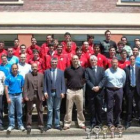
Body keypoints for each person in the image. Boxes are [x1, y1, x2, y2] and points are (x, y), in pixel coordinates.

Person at [63, 55, 85, 130]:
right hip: (70, 91)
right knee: (68, 108)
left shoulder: (82, 69)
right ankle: (67, 123)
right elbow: (65, 79)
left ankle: (81, 123)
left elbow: (84, 79)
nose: (75, 60)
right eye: (74, 59)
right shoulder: (68, 69)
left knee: (80, 108)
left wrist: (81, 84)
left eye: (76, 59)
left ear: (78, 60)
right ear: (71, 60)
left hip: (79, 90)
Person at [44, 57, 65, 131]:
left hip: (58, 92)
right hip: (49, 92)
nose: (54, 63)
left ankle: (57, 124)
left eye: (55, 62)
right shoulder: (46, 72)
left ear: (57, 63)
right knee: (49, 109)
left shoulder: (61, 72)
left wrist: (63, 92)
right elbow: (45, 83)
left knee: (57, 109)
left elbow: (63, 83)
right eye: (52, 62)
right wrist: (45, 91)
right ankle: (49, 125)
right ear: (50, 63)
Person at [104, 58, 126, 127]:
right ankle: (110, 123)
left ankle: (117, 122)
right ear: (111, 63)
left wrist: (119, 87)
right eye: (113, 62)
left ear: (118, 63)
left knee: (118, 106)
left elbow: (123, 81)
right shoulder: (107, 71)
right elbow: (105, 81)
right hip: (109, 90)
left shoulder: (122, 71)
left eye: (116, 62)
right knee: (109, 106)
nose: (114, 64)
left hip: (119, 90)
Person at [85, 55, 105, 128]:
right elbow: (87, 80)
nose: (93, 62)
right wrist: (93, 87)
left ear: (97, 61)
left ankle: (99, 122)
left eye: (94, 60)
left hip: (99, 92)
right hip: (91, 92)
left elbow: (104, 79)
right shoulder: (87, 70)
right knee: (92, 108)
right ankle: (93, 122)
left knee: (99, 108)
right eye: (92, 60)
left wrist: (99, 87)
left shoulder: (101, 69)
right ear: (90, 62)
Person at [24, 63, 44, 133]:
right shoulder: (27, 75)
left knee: (40, 110)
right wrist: (25, 96)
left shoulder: (41, 75)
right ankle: (29, 125)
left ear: (37, 67)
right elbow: (25, 87)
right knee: (29, 111)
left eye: (35, 67)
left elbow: (43, 86)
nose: (34, 68)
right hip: (30, 95)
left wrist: (43, 95)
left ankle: (40, 125)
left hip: (39, 95)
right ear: (31, 68)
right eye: (33, 67)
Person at [4, 64, 25, 132]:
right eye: (13, 68)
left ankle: (20, 125)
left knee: (20, 112)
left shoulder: (21, 77)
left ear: (17, 68)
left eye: (16, 68)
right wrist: (7, 98)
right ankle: (11, 125)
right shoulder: (8, 77)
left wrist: (22, 96)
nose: (15, 69)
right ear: (11, 69)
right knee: (11, 112)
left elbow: (23, 87)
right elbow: (6, 88)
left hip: (19, 95)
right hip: (11, 96)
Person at [124, 55, 140, 129]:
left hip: (137, 89)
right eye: (131, 59)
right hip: (129, 89)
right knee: (129, 106)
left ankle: (139, 120)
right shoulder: (126, 69)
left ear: (135, 60)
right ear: (129, 60)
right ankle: (128, 121)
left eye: (133, 59)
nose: (132, 60)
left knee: (139, 105)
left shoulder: (138, 68)